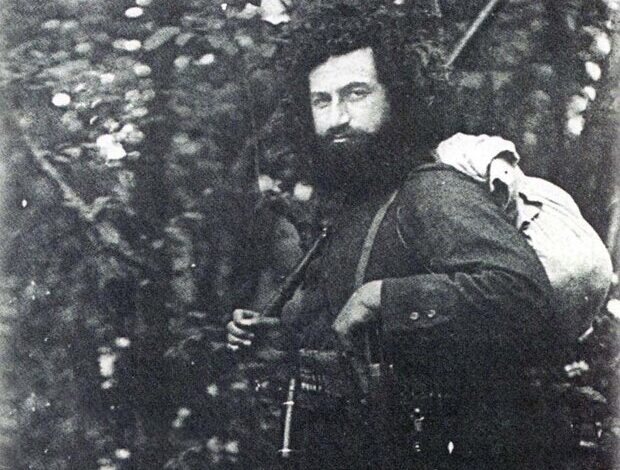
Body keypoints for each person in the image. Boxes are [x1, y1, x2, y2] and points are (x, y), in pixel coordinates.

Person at [227, 4, 574, 468]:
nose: (337, 117)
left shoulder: (430, 190)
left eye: (356, 94)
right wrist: (278, 337)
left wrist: (382, 297)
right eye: (321, 101)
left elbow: (522, 294)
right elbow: (350, 338)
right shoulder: (355, 204)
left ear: (399, 97)